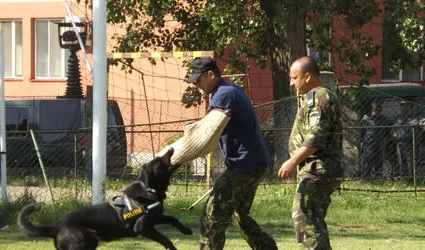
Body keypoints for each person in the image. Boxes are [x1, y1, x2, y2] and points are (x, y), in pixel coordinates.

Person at [159, 57, 277, 250]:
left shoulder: (223, 94)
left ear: (211, 75)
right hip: (256, 163)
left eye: (198, 80)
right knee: (239, 216)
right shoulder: (231, 90)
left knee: (211, 214)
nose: (195, 85)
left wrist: (170, 158)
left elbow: (205, 136)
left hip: (244, 164)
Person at [278, 56, 343, 250]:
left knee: (304, 215)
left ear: (307, 76)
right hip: (319, 167)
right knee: (313, 218)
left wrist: (292, 161)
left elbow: (315, 138)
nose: (291, 83)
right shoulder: (318, 97)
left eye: (294, 77)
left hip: (318, 167)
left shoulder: (319, 98)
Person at [359, 102, 391, 179]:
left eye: (380, 108)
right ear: (373, 108)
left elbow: (389, 131)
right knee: (367, 160)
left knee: (379, 161)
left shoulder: (384, 119)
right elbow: (361, 131)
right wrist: (362, 141)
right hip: (369, 142)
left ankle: (378, 177)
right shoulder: (366, 118)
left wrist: (386, 140)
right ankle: (366, 177)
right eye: (377, 108)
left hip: (380, 143)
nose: (379, 109)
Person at [393, 101, 421, 181]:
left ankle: (412, 178)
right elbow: (394, 128)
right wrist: (395, 136)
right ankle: (403, 178)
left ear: (409, 107)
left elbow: (419, 130)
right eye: (402, 106)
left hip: (410, 142)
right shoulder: (398, 118)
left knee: (410, 161)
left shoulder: (415, 118)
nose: (403, 108)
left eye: (405, 106)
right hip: (400, 142)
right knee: (401, 160)